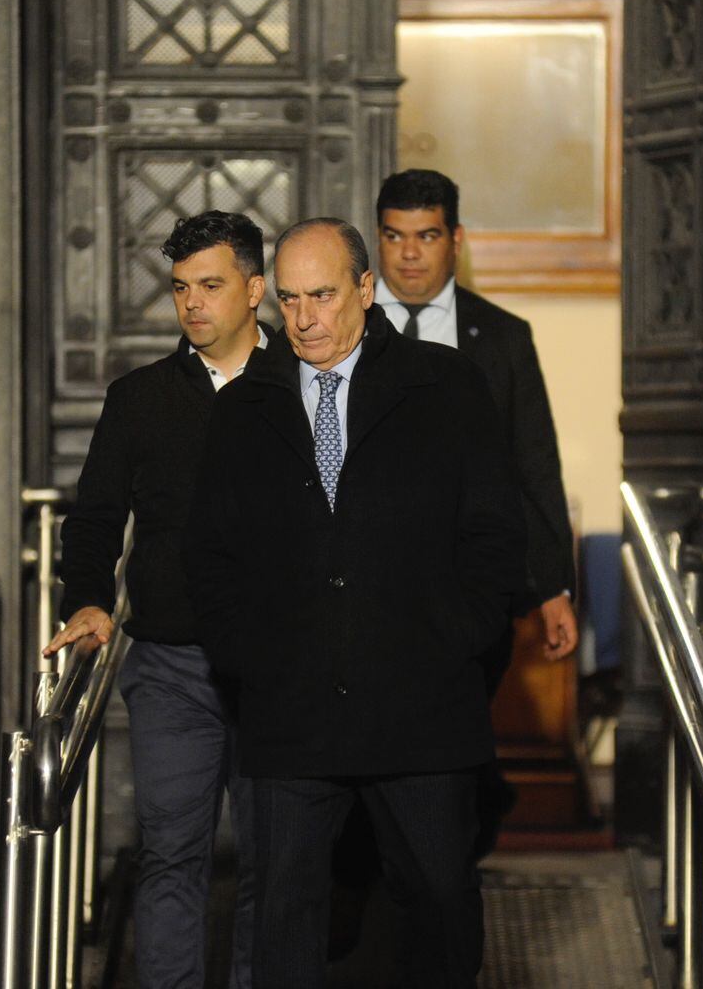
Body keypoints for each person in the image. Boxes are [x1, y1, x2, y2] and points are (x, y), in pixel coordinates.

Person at [187, 218, 527, 988]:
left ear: (366, 291)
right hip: (291, 713)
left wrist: (457, 638)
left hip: (422, 706)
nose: (304, 318)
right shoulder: (246, 408)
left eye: (324, 296)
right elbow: (208, 555)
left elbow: (496, 532)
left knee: (441, 904)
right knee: (284, 917)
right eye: (290, 299)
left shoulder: (444, 386)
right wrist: (250, 658)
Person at [51, 211, 268, 989]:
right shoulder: (139, 398)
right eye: (180, 288)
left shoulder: (307, 390)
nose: (192, 304)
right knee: (172, 855)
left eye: (210, 286)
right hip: (173, 665)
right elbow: (97, 517)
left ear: (255, 288)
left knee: (275, 869)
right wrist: (86, 600)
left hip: (283, 668)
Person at [375, 169, 578, 667]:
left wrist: (553, 587)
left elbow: (533, 465)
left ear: (456, 239)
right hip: (366, 589)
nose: (408, 254)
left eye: (427, 236)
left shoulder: (504, 339)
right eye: (394, 236)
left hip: (474, 591)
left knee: (463, 740)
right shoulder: (337, 329)